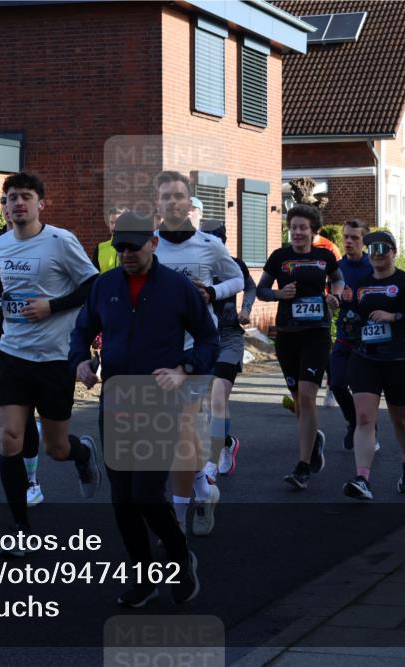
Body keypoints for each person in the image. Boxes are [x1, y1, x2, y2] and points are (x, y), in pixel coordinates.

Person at [70, 211, 217, 608]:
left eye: (133, 246)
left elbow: (208, 340)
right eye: (119, 247)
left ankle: (179, 555)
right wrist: (81, 361)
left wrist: (183, 369)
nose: (126, 254)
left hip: (159, 400)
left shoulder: (176, 288)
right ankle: (144, 577)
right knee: (122, 499)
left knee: (147, 494)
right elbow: (82, 330)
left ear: (153, 242)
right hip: (117, 399)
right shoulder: (105, 286)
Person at [0, 171, 100, 553]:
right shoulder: (0, 245)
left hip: (53, 358)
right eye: (11, 197)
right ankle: (20, 526)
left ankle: (81, 452)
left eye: (25, 197)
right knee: (9, 437)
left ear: (40, 204)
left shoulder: (60, 241)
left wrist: (52, 305)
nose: (17, 203)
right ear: (4, 206)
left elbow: (91, 285)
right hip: (12, 354)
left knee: (56, 448)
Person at [153, 170, 243, 536]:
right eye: (166, 197)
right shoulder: (149, 244)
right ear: (157, 204)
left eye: (179, 196)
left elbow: (236, 277)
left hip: (196, 348)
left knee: (184, 427)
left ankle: (178, 513)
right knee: (168, 433)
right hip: (156, 349)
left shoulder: (208, 244)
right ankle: (205, 488)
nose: (173, 202)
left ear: (190, 203)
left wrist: (211, 293)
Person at [340, 231, 405, 500]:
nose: (378, 252)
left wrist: (394, 316)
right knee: (365, 417)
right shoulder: (360, 284)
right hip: (365, 358)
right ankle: (362, 478)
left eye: (384, 247)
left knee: (400, 419)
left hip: (399, 360)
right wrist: (348, 321)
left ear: (393, 252)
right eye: (372, 248)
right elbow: (353, 316)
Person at [257, 204, 344, 490]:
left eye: (302, 227)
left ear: (312, 231)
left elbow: (338, 279)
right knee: (298, 400)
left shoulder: (324, 255)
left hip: (316, 332)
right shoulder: (279, 257)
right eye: (293, 227)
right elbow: (262, 289)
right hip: (287, 334)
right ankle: (314, 438)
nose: (296, 232)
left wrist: (336, 296)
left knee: (307, 396)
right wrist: (279, 294)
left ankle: (303, 466)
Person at [0, 196, 44, 505]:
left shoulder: (47, 240)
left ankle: (31, 481)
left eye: (16, 198)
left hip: (31, 334)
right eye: (4, 199)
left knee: (21, 415)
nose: (8, 205)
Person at [199, 220, 257, 478]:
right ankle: (226, 443)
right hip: (202, 339)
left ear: (223, 241)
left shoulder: (234, 264)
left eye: (216, 240)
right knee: (206, 404)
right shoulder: (196, 267)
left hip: (230, 337)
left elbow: (251, 286)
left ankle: (213, 459)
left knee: (218, 398)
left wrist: (245, 309)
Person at [329, 219, 380, 451]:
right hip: (344, 335)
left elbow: (383, 300)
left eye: (354, 238)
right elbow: (334, 297)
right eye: (346, 237)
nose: (348, 241)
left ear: (365, 242)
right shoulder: (337, 268)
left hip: (370, 338)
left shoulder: (374, 267)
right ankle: (353, 423)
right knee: (337, 384)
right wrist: (333, 301)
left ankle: (369, 429)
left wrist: (357, 299)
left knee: (362, 390)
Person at [92, 206, 126, 273]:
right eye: (111, 223)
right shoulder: (100, 248)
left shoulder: (133, 247)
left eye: (117, 222)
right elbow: (95, 276)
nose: (114, 227)